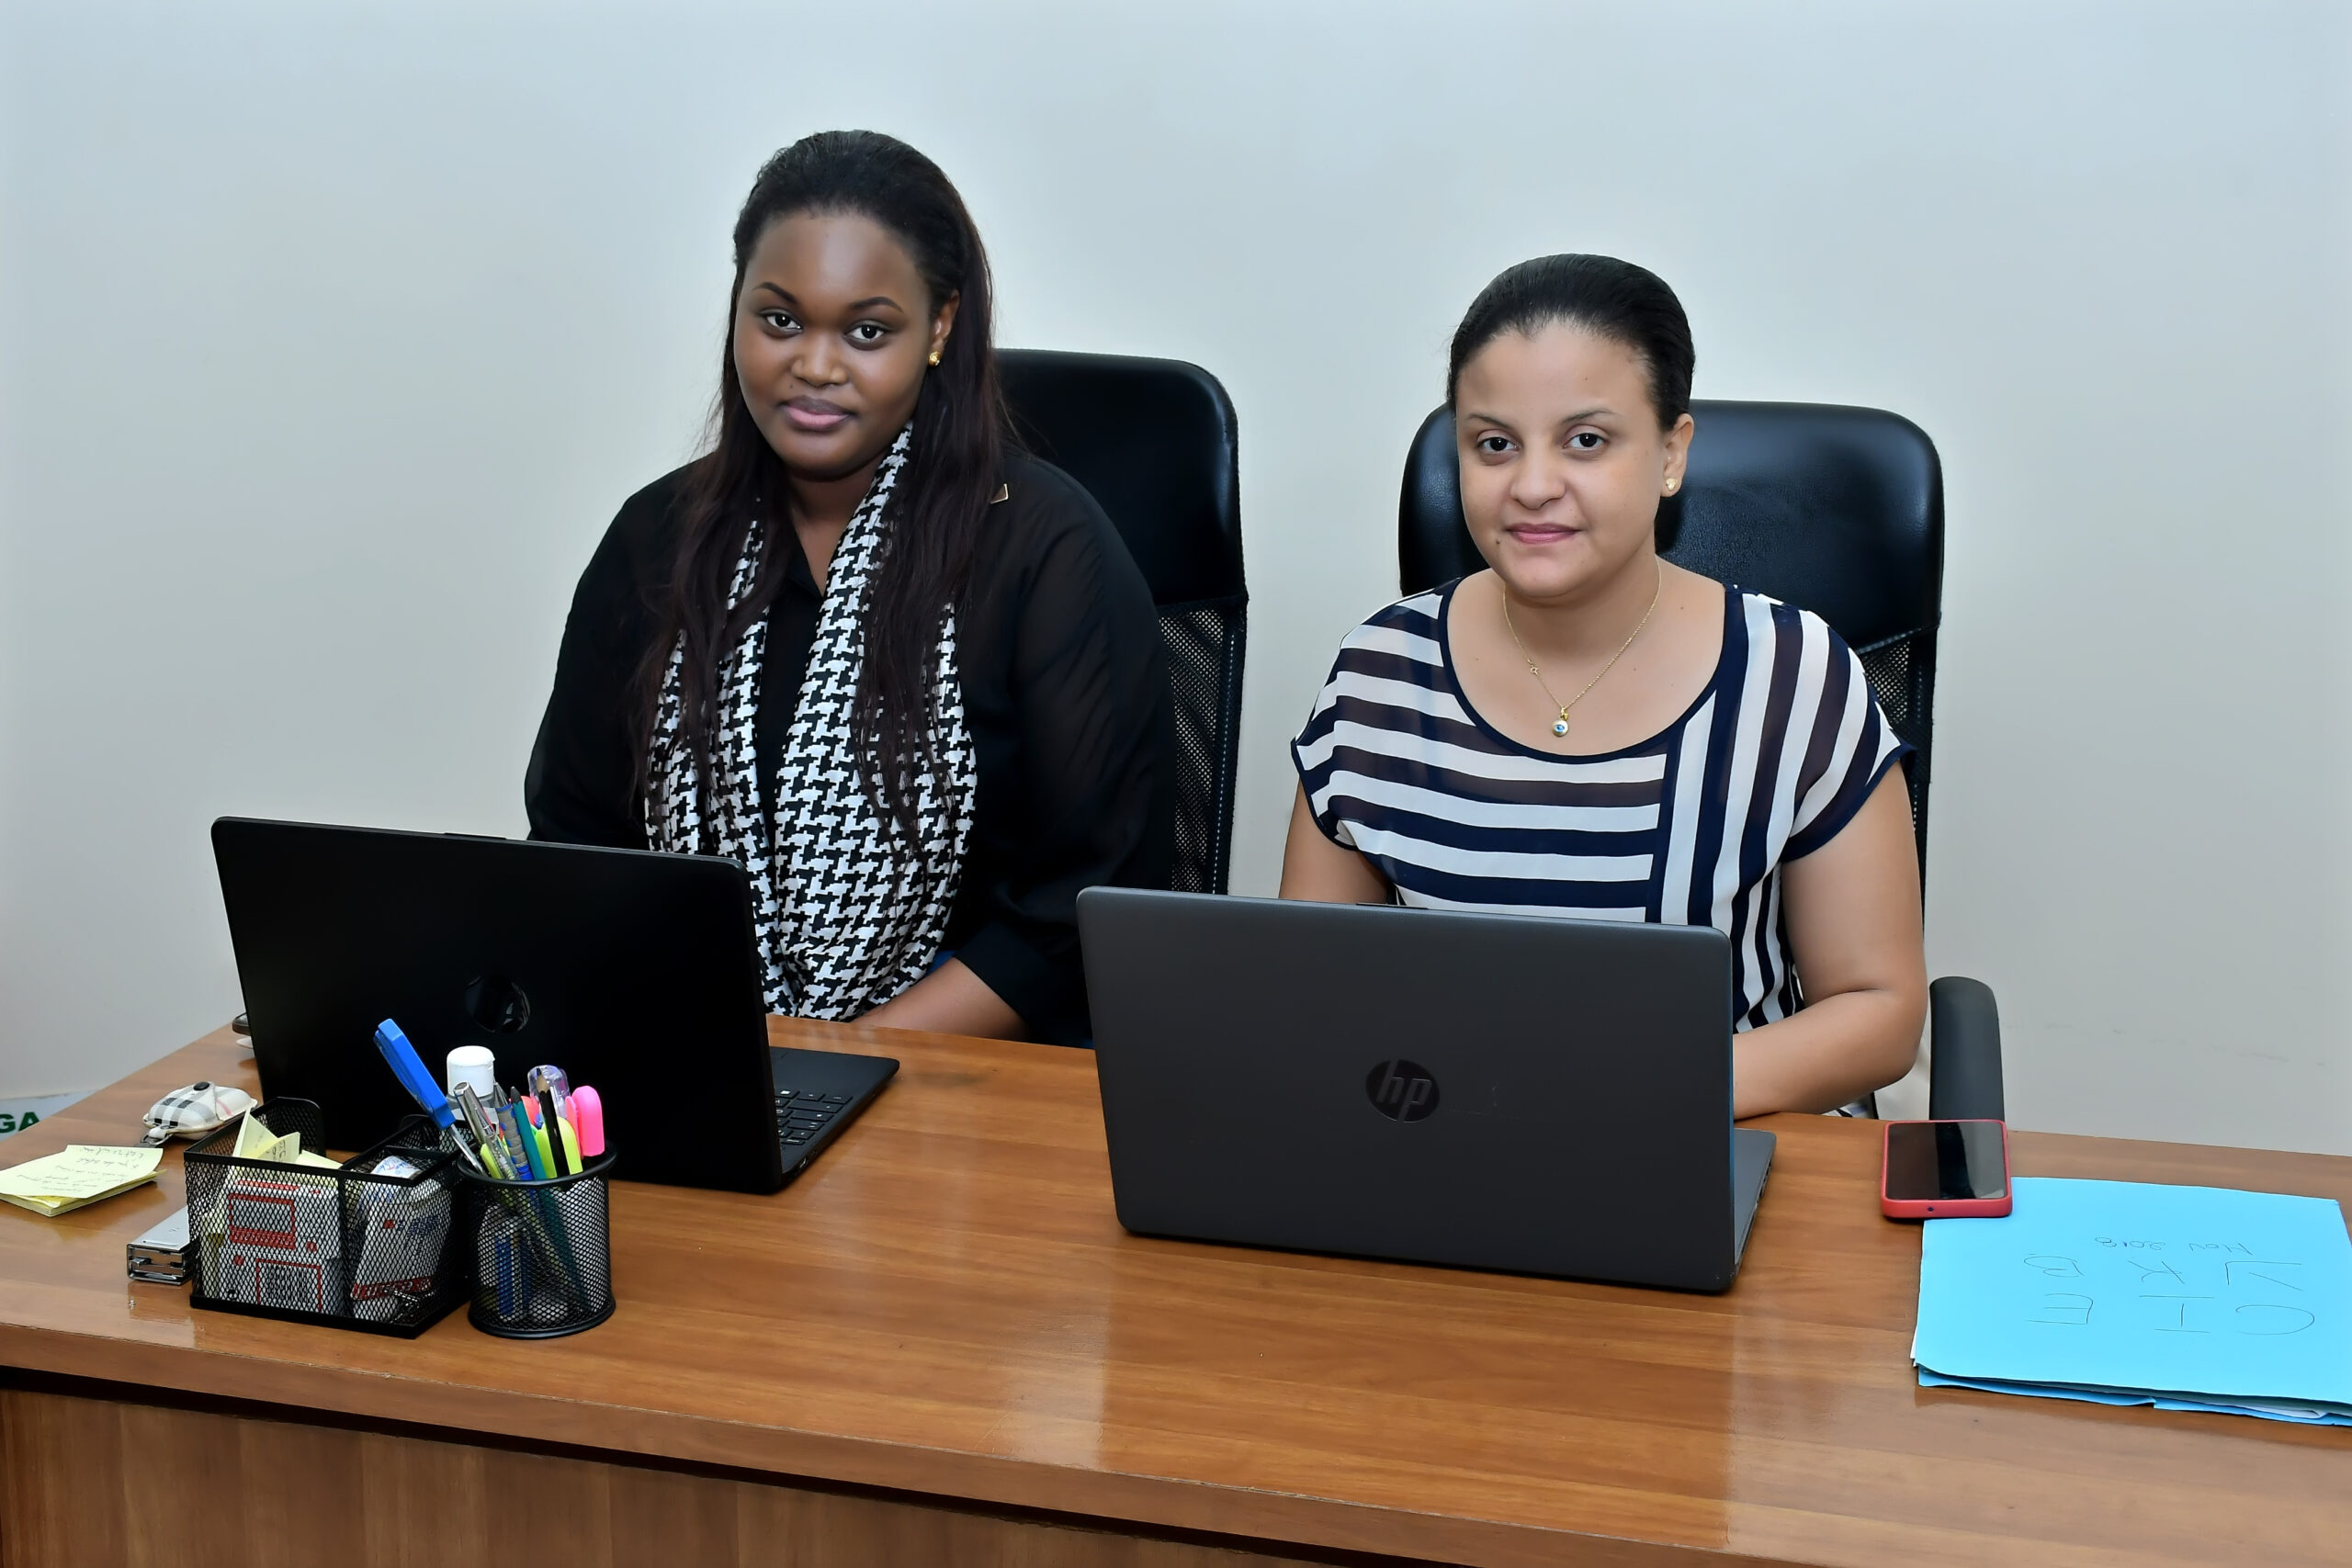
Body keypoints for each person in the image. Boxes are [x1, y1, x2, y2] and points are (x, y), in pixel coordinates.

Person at [526, 130, 1170, 1045]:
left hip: (974, 1077)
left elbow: (1079, 908)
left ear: (939, 327)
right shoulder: (655, 541)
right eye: (780, 320)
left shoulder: (1043, 551)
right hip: (704, 1054)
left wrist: (839, 1059)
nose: (817, 366)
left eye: (867, 331)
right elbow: (578, 852)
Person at [1281, 254, 1925, 1117]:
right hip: (1450, 1140)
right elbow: (1312, 990)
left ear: (1671, 452)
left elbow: (1880, 1012)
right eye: (1494, 444)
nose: (1532, 486)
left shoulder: (1793, 676)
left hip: (1718, 1133)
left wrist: (1626, 1096)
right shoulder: (1380, 674)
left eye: (1585, 440)